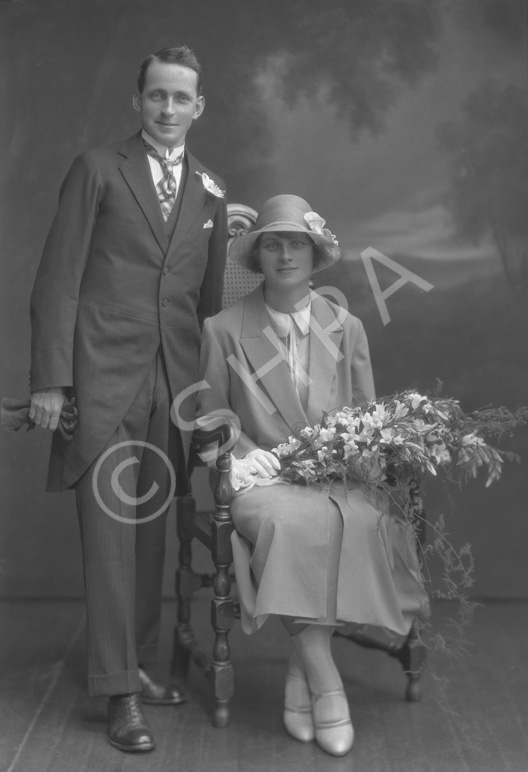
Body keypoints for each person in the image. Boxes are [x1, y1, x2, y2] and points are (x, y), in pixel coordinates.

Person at [29, 46, 227, 752]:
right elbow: (58, 278)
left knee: (148, 539)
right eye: (157, 97)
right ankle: (116, 696)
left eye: (182, 98)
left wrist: (208, 402)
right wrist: (52, 380)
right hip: (102, 379)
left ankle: (137, 664)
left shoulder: (210, 191)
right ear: (138, 103)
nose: (168, 109)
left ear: (199, 107)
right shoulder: (96, 169)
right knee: (110, 538)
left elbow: (209, 312)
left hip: (173, 386)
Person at [196, 194, 429, 757]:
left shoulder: (345, 326)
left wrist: (359, 455)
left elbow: (367, 416)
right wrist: (251, 457)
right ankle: (329, 689)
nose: (283, 255)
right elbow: (211, 416)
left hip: (336, 476)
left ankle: (301, 675)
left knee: (364, 517)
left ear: (313, 252)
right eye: (271, 244)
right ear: (257, 257)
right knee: (294, 526)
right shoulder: (224, 328)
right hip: (262, 480)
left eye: (294, 242)